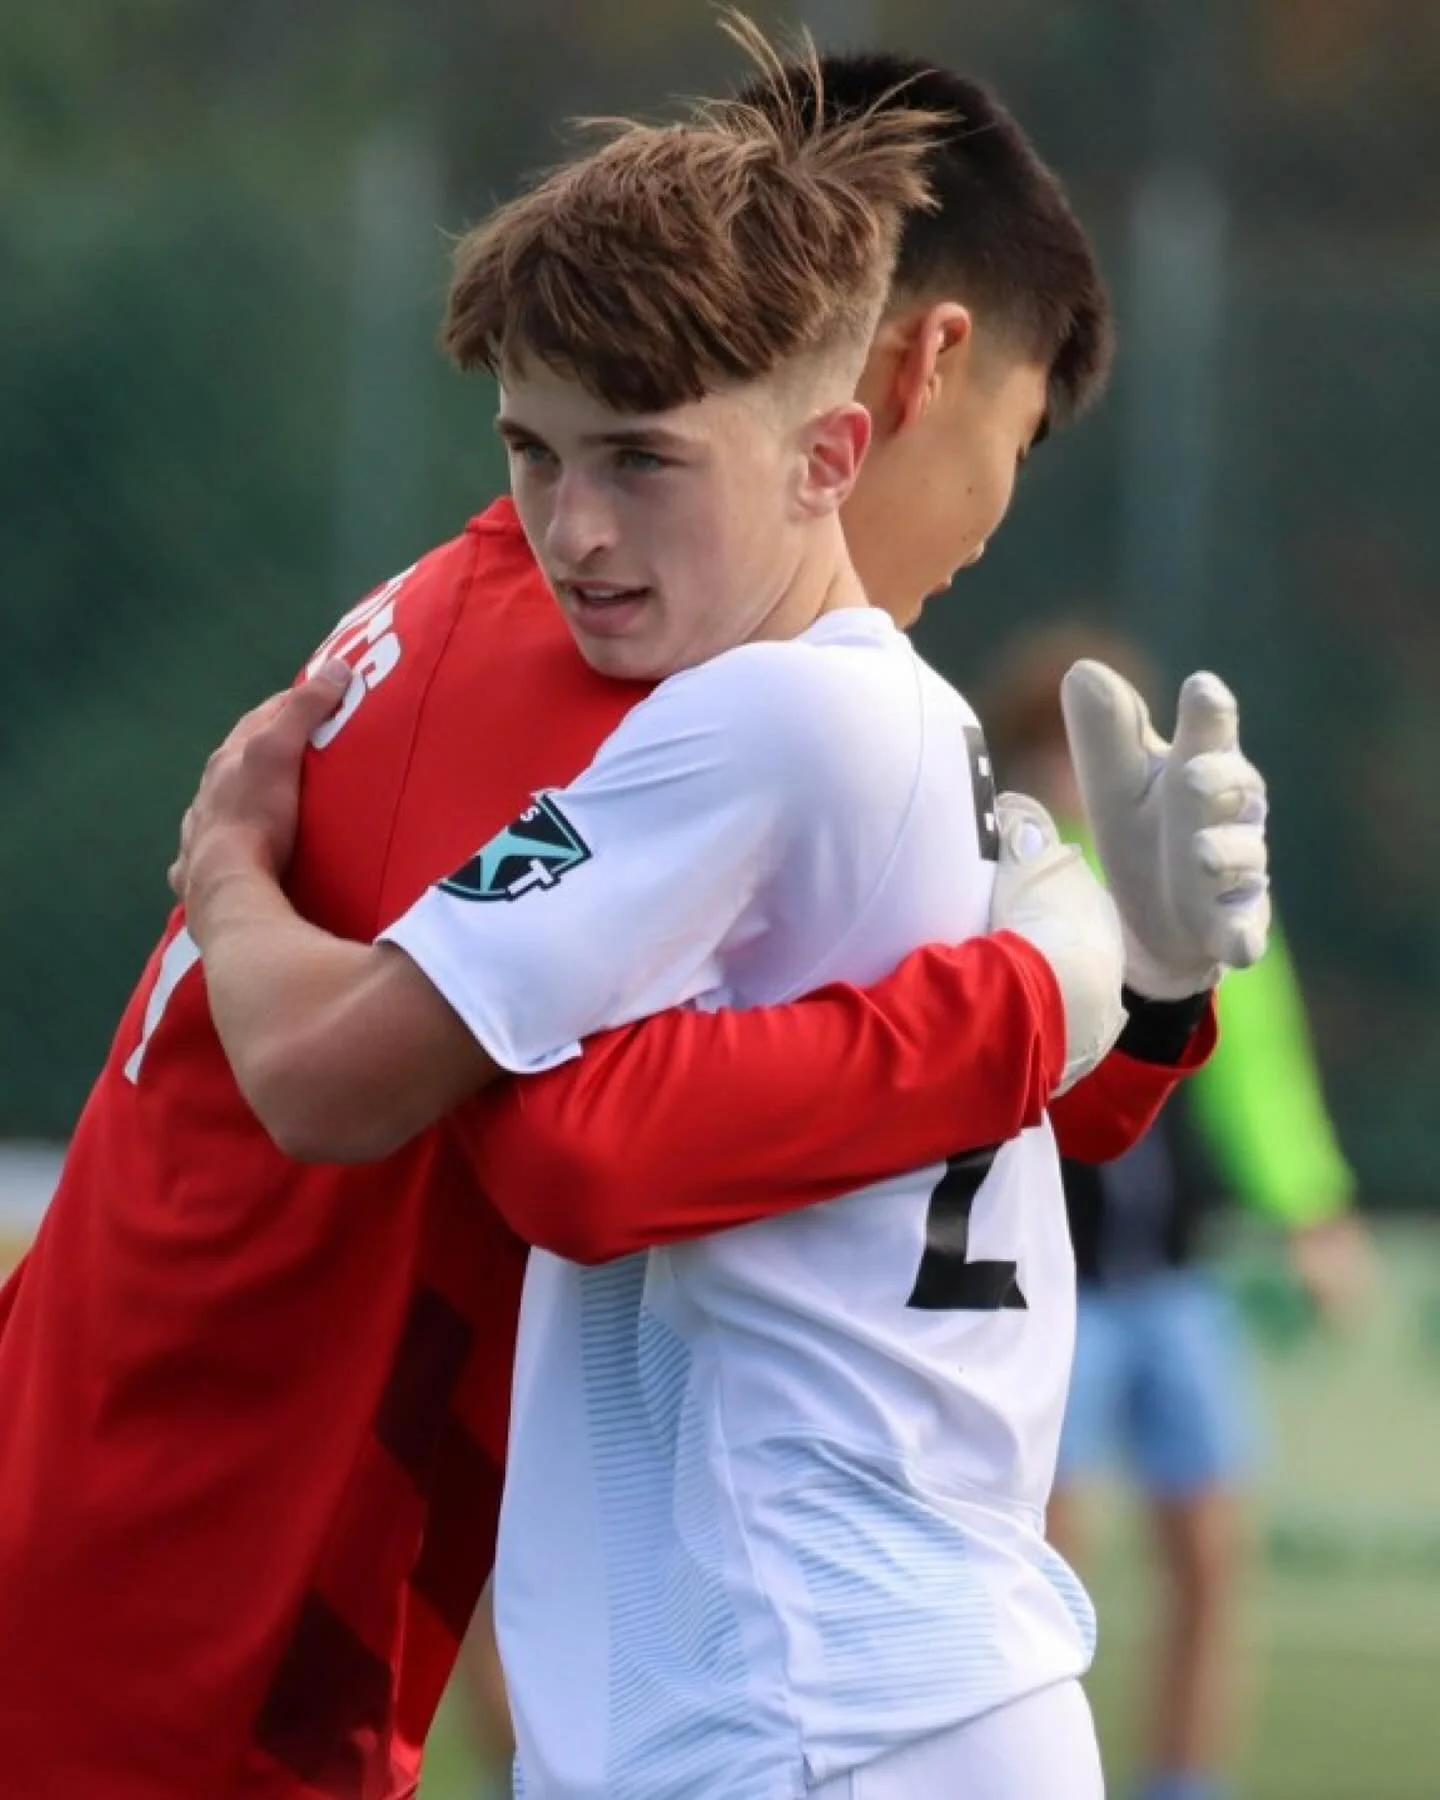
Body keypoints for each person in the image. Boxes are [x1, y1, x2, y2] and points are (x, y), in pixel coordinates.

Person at [0, 33, 1219, 1800]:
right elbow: (577, 1141)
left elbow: (932, 1115)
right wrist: (1050, 985)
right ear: (921, 371)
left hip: (189, 1538)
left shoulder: (672, 665)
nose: (984, 523)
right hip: (185, 1590)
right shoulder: (633, 684)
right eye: (1020, 439)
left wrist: (1133, 989)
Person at [982, 624, 1371, 1800]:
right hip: (1050, 1291)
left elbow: (1258, 1067)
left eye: (1094, 745)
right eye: (1054, 748)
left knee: (1208, 1550)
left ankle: (1183, 1785)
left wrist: (1310, 1210)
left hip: (1178, 1284)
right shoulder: (1005, 889)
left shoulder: (1191, 870)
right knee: (1045, 1560)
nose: (1077, 771)